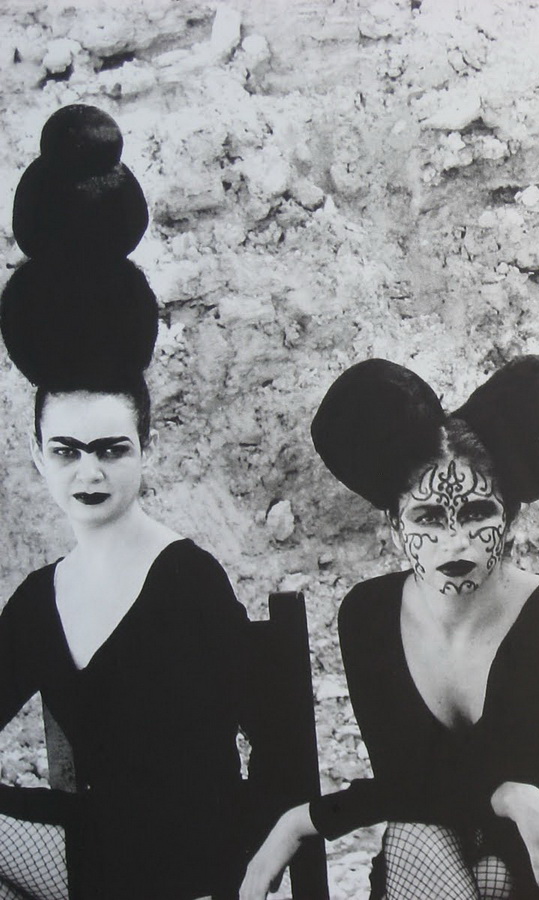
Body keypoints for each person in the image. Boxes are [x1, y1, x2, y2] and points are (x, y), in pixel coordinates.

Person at [0, 106, 266, 899]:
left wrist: (258, 864)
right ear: (38, 457)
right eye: (66, 451)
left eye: (111, 449)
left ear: (145, 449)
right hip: (94, 859)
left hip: (195, 865)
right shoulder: (39, 601)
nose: (89, 473)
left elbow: (276, 742)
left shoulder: (187, 578)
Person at [241, 356, 539, 900]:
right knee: (416, 836)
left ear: (510, 518)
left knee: (485, 870)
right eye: (428, 518)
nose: (455, 541)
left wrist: (308, 820)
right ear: (394, 525)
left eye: (477, 513)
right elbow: (408, 788)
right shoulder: (369, 617)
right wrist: (507, 795)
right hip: (427, 866)